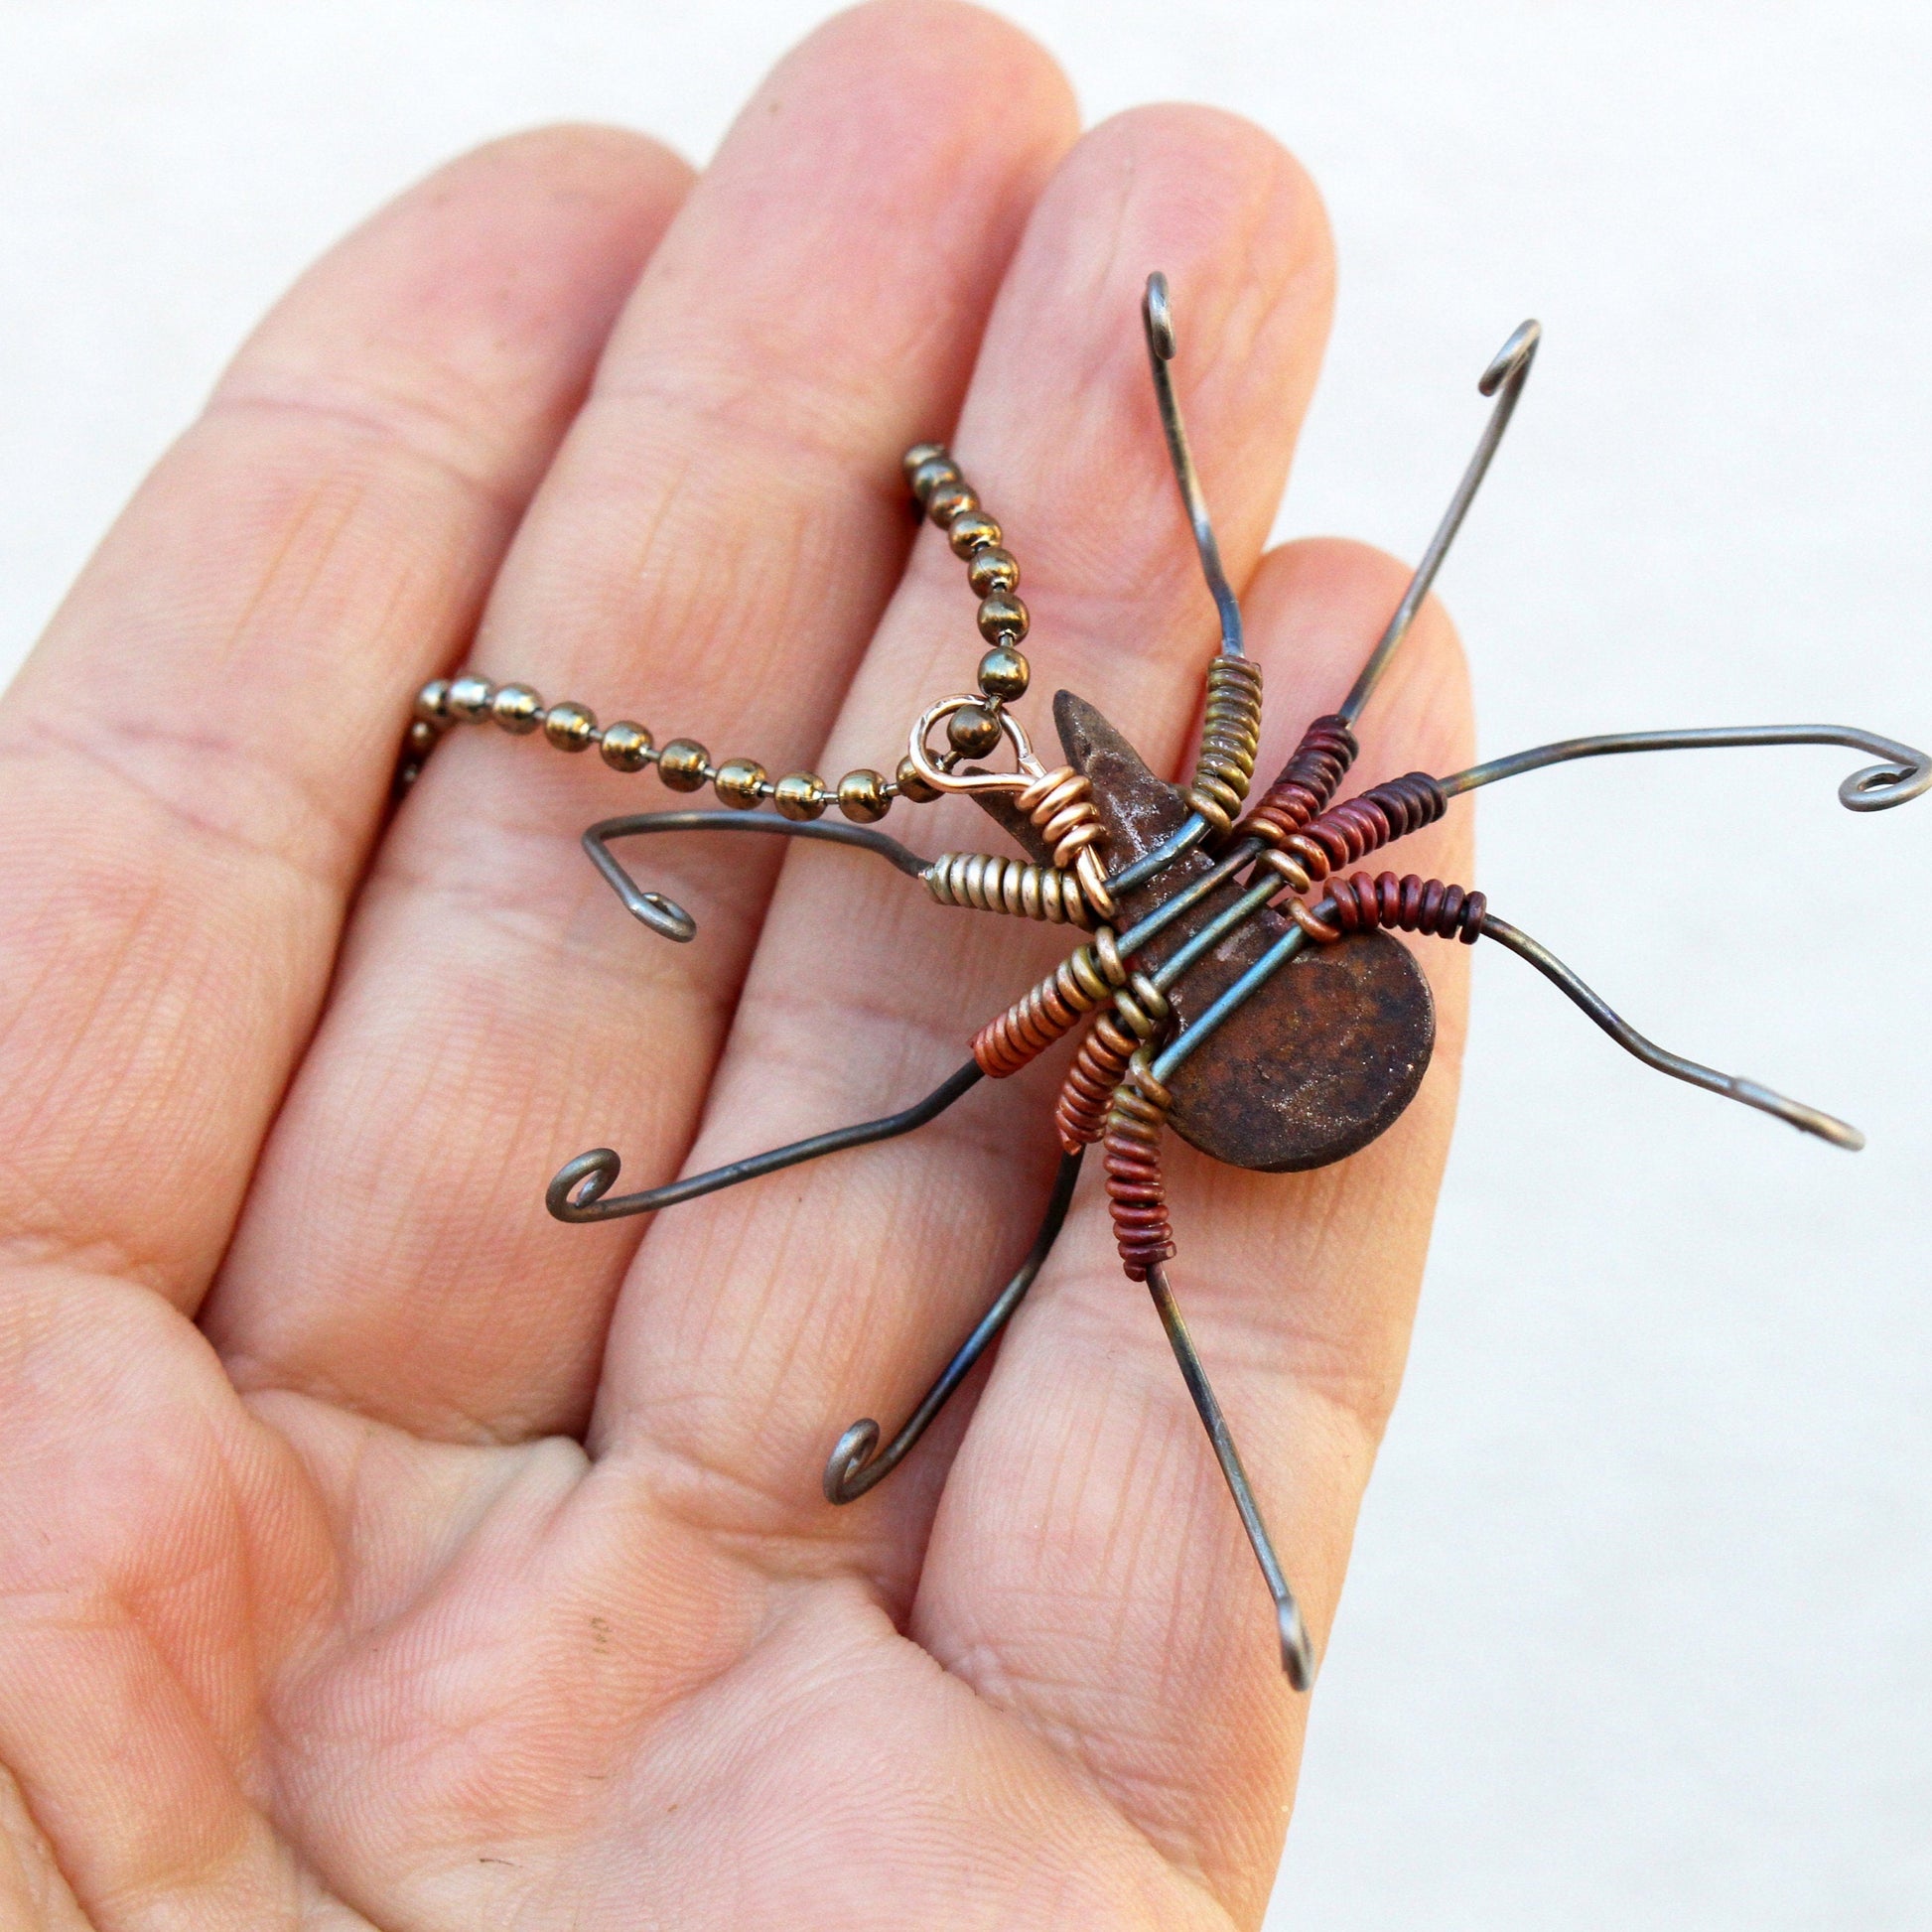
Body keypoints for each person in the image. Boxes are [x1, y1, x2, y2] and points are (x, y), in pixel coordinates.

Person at [0, 2, 1473, 1923]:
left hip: (1259, 988)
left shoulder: (1193, 861)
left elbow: (1001, 1035)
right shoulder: (1070, 913)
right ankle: (1228, 1535)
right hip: (1192, 1014)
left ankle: (1229, 1531)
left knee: (1068, 1096)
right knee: (1047, 1152)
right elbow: (961, 1071)